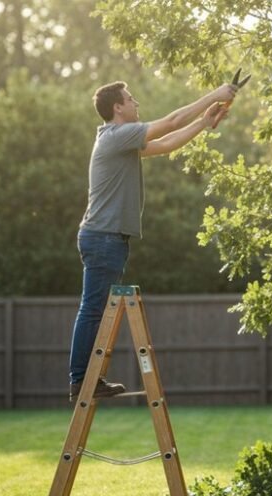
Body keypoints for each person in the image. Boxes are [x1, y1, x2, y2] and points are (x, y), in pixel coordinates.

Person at [68, 80, 237, 401]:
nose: (136, 103)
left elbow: (168, 143)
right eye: (131, 99)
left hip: (108, 238)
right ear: (118, 107)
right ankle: (80, 381)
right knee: (92, 309)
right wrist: (215, 94)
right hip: (104, 238)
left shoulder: (122, 141)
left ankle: (87, 380)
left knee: (96, 310)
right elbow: (171, 122)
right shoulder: (116, 136)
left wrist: (204, 122)